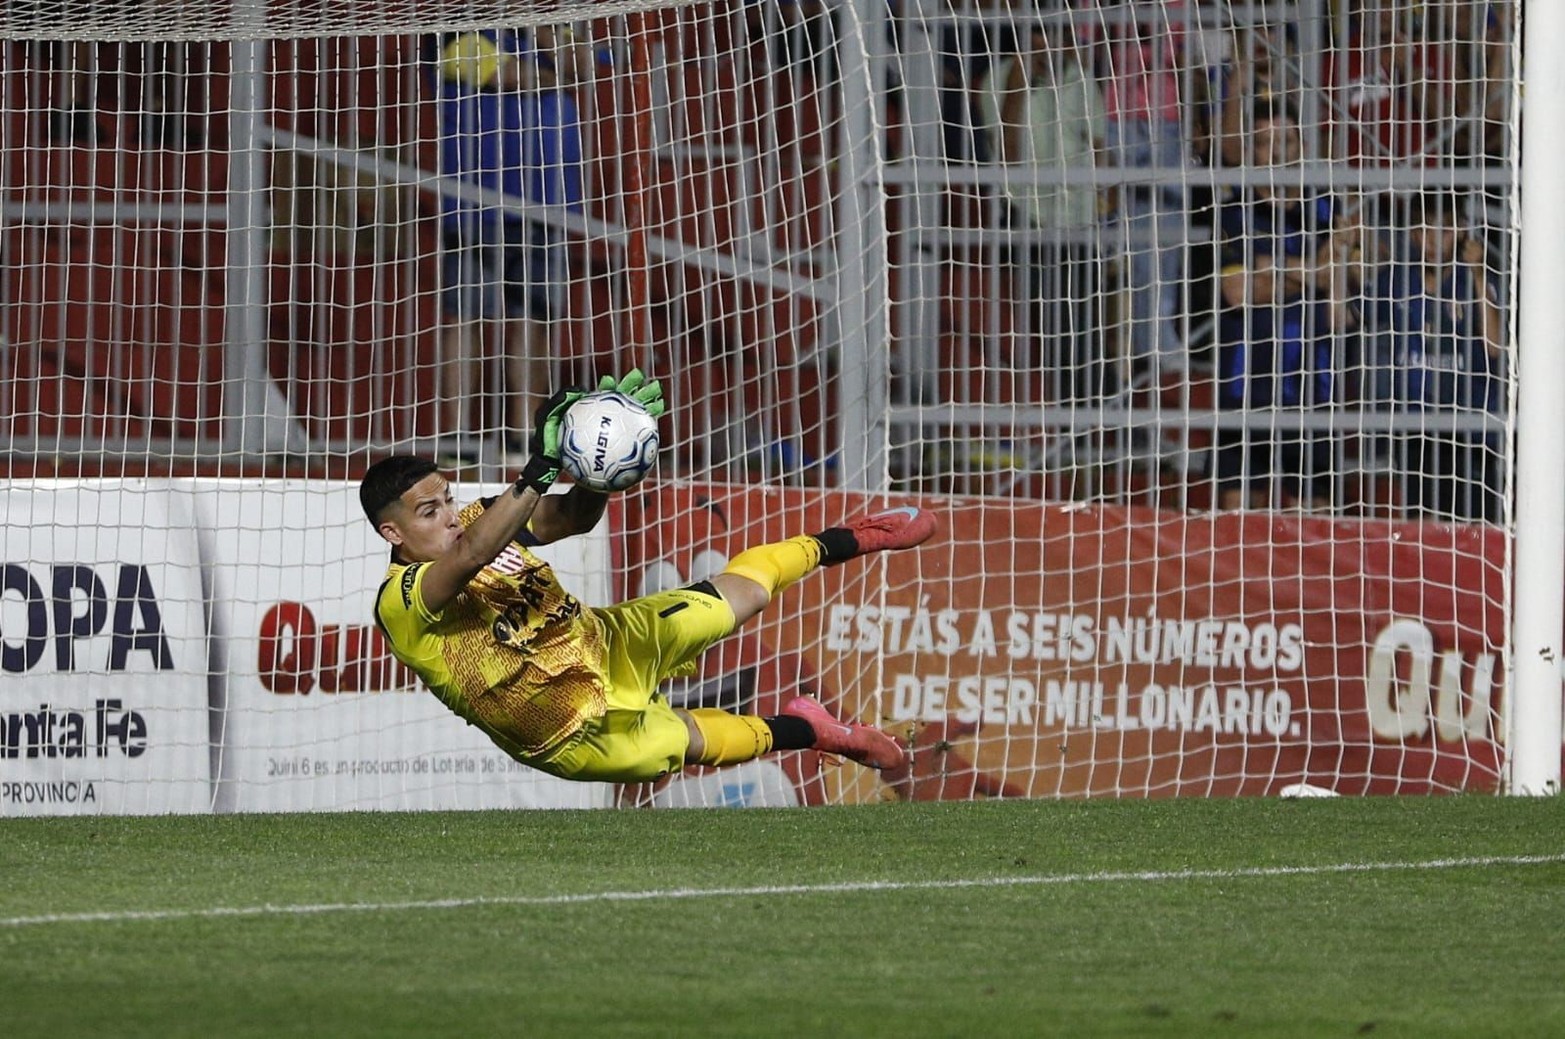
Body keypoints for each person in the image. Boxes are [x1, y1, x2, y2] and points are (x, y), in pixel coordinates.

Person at [360, 369, 931, 783]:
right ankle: (814, 731)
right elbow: (471, 559)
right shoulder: (402, 603)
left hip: (604, 643)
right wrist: (541, 465)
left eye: (448, 500)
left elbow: (573, 517)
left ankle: (858, 535)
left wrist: (598, 460)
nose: (451, 518)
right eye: (429, 512)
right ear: (394, 535)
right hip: (568, 729)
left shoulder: (481, 517)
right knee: (686, 739)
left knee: (742, 594)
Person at [432, 26, 592, 464]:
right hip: (476, 194)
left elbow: (585, 69)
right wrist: (557, 68)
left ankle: (525, 437)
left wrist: (550, 36)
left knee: (534, 316)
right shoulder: (455, 28)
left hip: (545, 192)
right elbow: (507, 76)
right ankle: (458, 439)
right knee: (464, 314)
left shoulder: (555, 26)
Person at [1212, 97, 1360, 510]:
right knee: (1236, 536)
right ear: (1251, 150)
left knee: (1313, 537)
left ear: (1302, 146)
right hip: (1245, 389)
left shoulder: (1328, 212)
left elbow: (1341, 295)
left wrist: (1271, 268)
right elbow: (1238, 292)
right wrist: (1315, 268)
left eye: (1288, 139)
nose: (1279, 149)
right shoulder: (1233, 214)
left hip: (1313, 387)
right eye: (1266, 140)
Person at [977, 20, 1109, 405]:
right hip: (1026, 214)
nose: (1049, 44)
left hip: (1081, 216)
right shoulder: (996, 79)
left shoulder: (1080, 79)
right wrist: (1020, 82)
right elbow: (1007, 153)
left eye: (1059, 35)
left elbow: (1099, 145)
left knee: (1083, 322)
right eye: (1040, 33)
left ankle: (1089, 410)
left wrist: (1110, 202)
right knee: (1051, 323)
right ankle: (1073, 411)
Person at [1360, 191, 1505, 522]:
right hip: (1416, 429)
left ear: (1463, 229)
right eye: (1425, 231)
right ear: (1412, 234)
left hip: (1472, 431)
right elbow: (1339, 319)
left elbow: (1495, 347)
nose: (1434, 241)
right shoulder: (1396, 280)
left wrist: (1480, 276)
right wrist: (1342, 256)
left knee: (1476, 535)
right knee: (1424, 542)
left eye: (1445, 230)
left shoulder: (1476, 279)